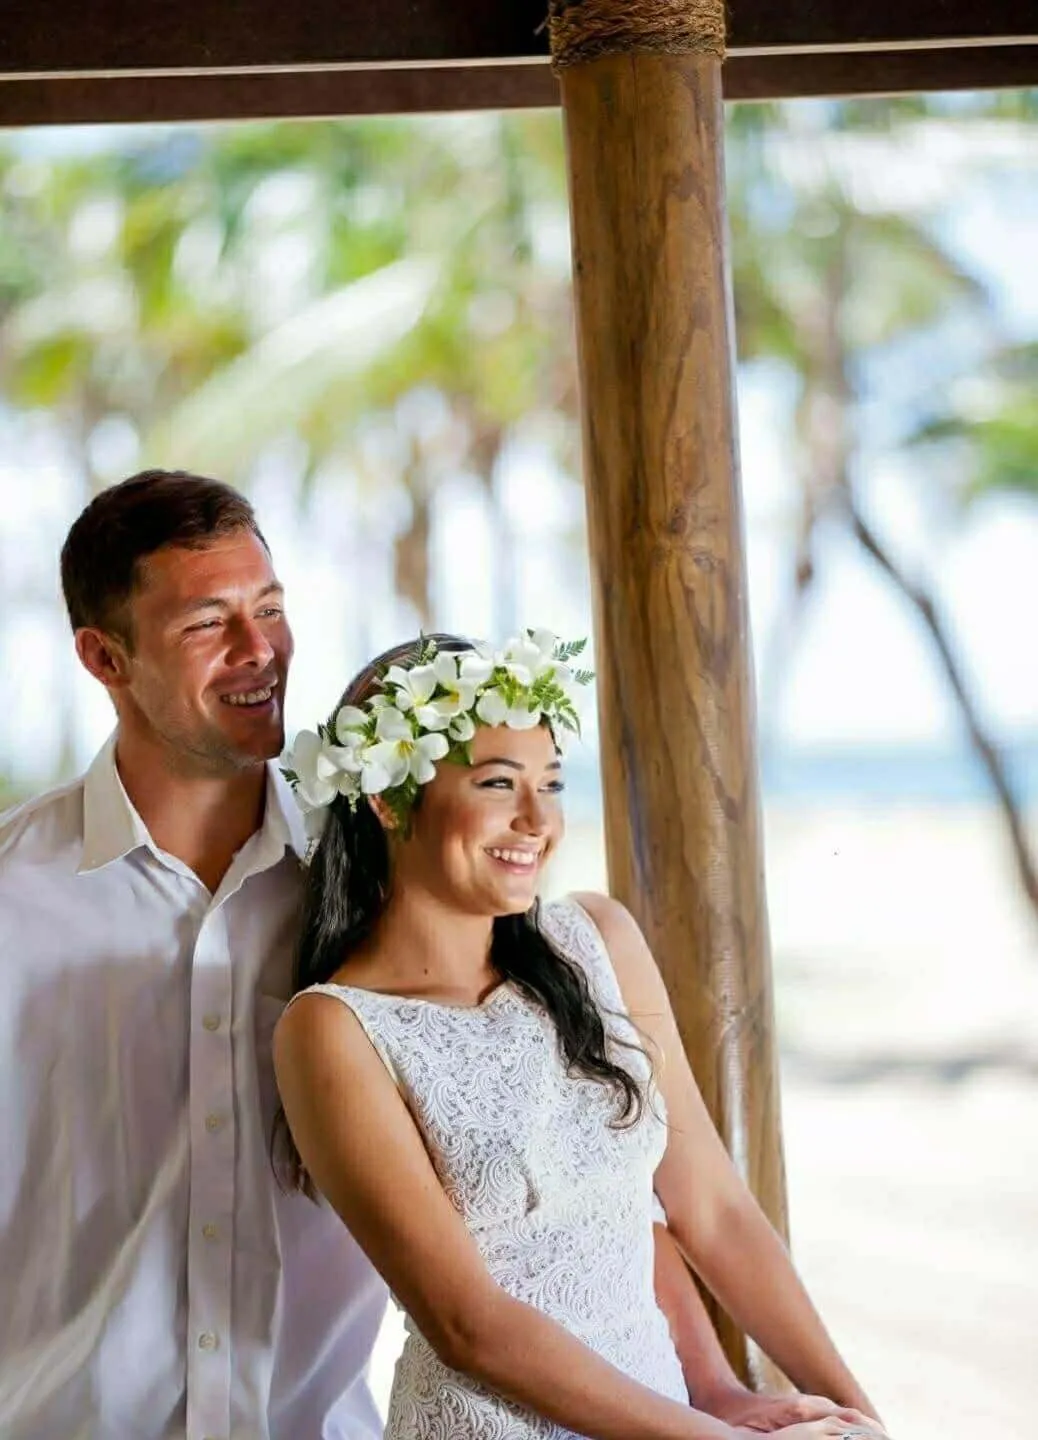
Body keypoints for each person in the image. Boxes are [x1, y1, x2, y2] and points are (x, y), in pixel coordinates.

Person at [0, 469, 844, 1438]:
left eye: (269, 609)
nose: (258, 650)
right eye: (207, 623)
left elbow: (590, 1212)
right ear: (104, 657)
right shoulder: (13, 903)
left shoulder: (386, 883)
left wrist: (723, 1390)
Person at [273, 631, 887, 1440]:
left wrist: (841, 1410)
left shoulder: (595, 940)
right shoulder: (334, 1028)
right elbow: (466, 1324)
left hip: (672, 1421)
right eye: (497, 783)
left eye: (550, 782)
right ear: (389, 798)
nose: (536, 820)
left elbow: (705, 1210)